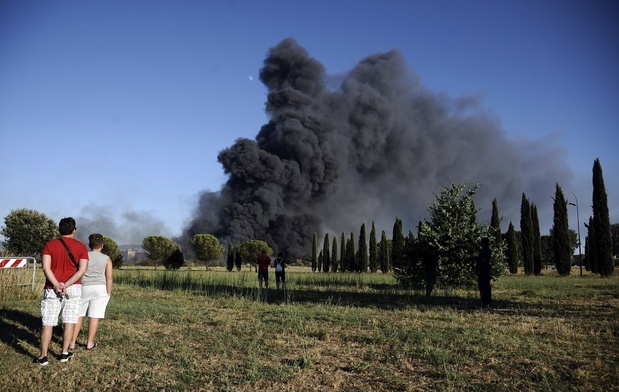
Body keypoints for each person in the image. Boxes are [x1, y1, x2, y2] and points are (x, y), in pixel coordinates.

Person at [36, 217, 89, 365]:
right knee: (69, 321)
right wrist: (66, 284)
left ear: (59, 229)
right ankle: (64, 353)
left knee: (48, 322)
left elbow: (46, 268)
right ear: (74, 230)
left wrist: (57, 285)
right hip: (73, 287)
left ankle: (43, 356)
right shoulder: (81, 247)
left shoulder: (49, 245)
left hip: (52, 288)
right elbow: (82, 270)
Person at [70, 233, 113, 351]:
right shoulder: (106, 258)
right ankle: (89, 343)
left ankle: (72, 343)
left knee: (79, 315)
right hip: (100, 288)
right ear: (102, 245)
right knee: (94, 316)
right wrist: (108, 291)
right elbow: (109, 277)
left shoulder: (84, 255)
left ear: (89, 245)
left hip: (84, 287)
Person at [476, 237, 492, 307]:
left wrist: (478, 269)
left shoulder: (484, 251)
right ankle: (488, 301)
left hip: (483, 271)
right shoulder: (488, 250)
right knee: (487, 286)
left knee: (483, 286)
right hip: (487, 271)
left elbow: (483, 261)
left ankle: (485, 301)